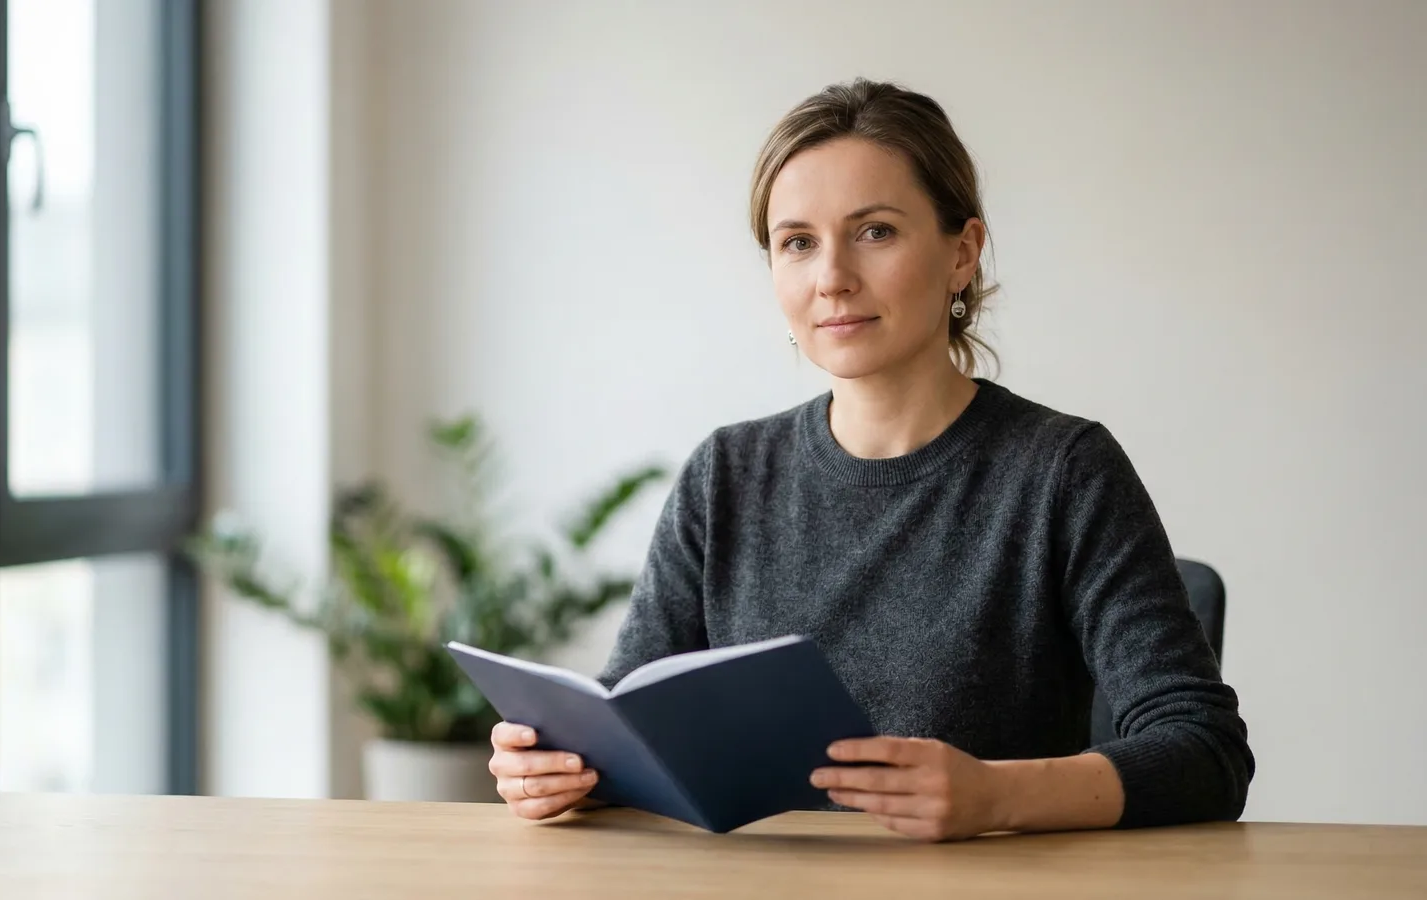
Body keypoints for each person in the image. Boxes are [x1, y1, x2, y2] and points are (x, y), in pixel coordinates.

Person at [486, 77, 1253, 841]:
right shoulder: (726, 474)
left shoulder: (1063, 469)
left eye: (875, 231)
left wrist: (994, 796)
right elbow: (630, 720)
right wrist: (564, 769)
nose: (832, 279)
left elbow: (1204, 750)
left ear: (962, 254)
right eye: (798, 243)